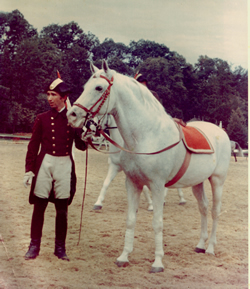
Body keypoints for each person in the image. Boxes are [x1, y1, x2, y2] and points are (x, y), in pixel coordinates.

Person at [23, 73, 87, 261]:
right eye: (48, 94)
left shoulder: (72, 119)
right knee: (39, 207)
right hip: (45, 164)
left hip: (64, 164)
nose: (49, 98)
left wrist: (81, 129)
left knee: (62, 209)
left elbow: (82, 147)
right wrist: (29, 169)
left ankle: (60, 248)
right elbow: (33, 145)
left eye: (53, 95)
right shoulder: (42, 118)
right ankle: (34, 246)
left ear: (63, 97)